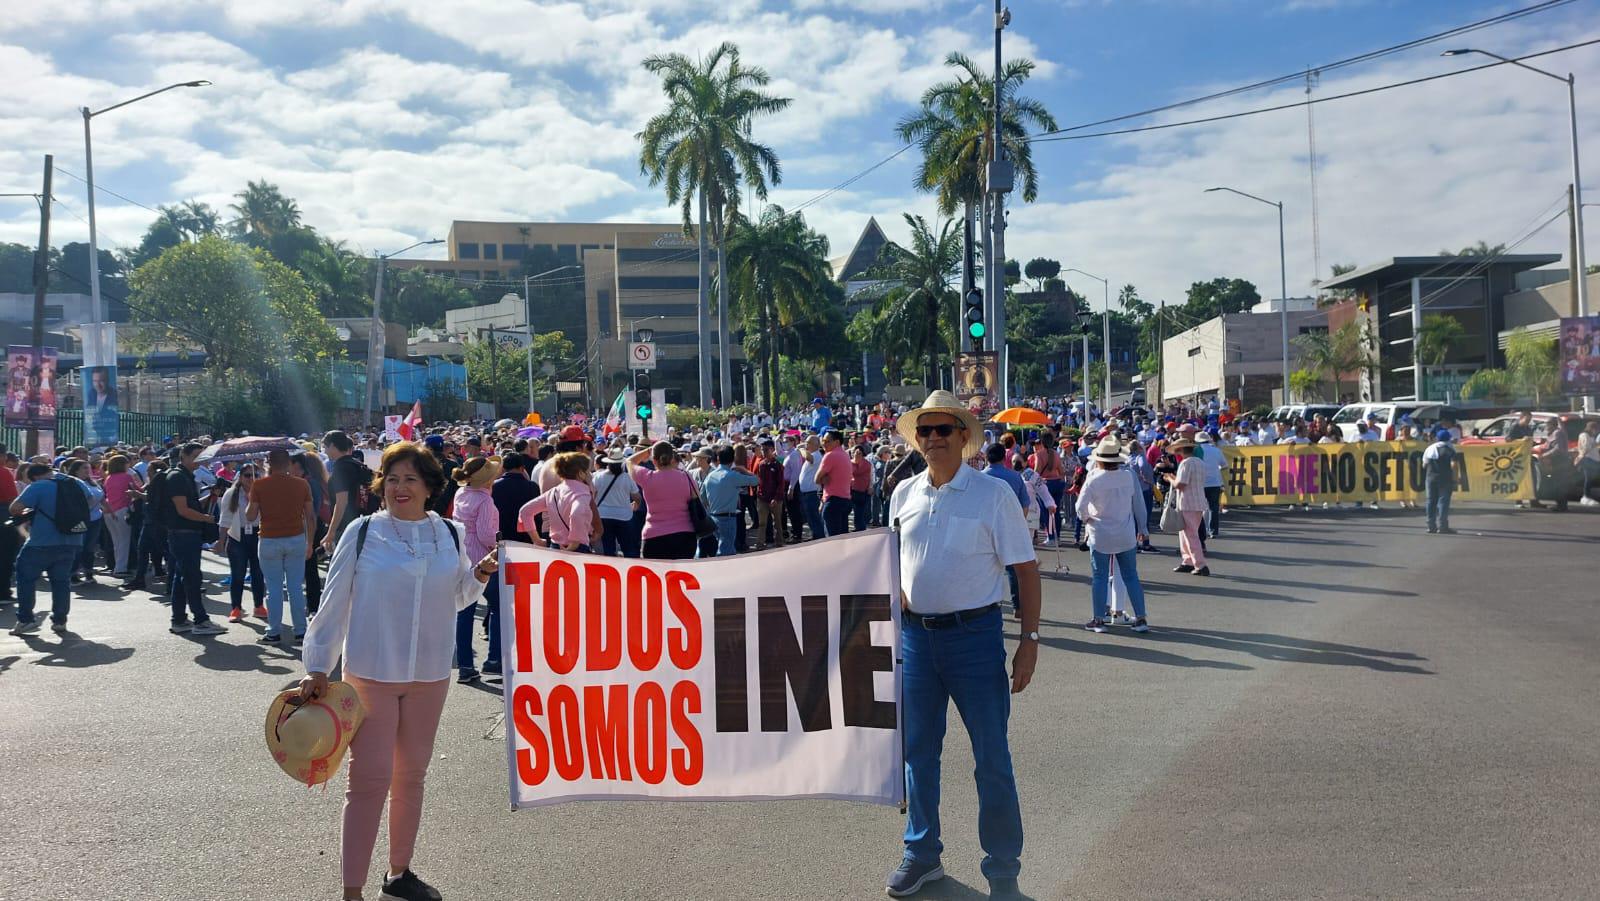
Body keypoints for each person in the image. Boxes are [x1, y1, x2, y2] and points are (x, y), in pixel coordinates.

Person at [297, 441, 498, 901]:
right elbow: (333, 602)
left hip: (430, 673)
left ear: (429, 487)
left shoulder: (449, 532)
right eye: (391, 478)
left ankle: (399, 872)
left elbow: (458, 595)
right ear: (380, 485)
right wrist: (318, 666)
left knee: (412, 776)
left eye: (409, 479)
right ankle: (352, 891)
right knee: (368, 781)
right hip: (372, 672)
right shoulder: (364, 532)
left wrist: (481, 573)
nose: (399, 487)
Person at [886, 391, 1039, 899]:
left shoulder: (992, 494)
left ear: (962, 436)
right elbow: (888, 561)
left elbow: (1025, 569)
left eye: (942, 430)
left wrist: (1030, 639)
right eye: (924, 431)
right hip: (914, 640)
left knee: (992, 756)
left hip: (975, 638)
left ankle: (1002, 869)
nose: (932, 439)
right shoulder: (903, 493)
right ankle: (921, 851)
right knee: (917, 753)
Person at [1075, 437, 1150, 633]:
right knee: (1131, 576)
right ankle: (1141, 618)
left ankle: (1099, 619)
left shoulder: (1093, 478)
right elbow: (1139, 505)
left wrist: (1087, 519)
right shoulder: (1129, 475)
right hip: (1125, 532)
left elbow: (1080, 507)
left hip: (1100, 533)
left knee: (1099, 576)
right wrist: (1143, 528)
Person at [7, 462, 89, 635]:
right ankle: (60, 620)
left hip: (42, 540)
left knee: (25, 576)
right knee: (61, 581)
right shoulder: (74, 482)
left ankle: (26, 619)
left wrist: (33, 510)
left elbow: (14, 508)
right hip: (72, 539)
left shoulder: (38, 486)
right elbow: (91, 498)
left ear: (35, 477)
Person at [246, 448, 314, 644]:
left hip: (269, 539)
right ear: (287, 463)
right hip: (296, 538)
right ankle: (300, 630)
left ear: (268, 462)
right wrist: (309, 542)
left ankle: (273, 631)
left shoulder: (259, 485)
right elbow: (310, 516)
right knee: (295, 587)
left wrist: (253, 495)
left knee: (274, 588)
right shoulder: (302, 485)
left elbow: (250, 516)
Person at [448, 456, 501, 684]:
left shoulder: (461, 493)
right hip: (483, 557)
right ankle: (494, 660)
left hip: (462, 554)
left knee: (464, 611)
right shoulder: (485, 501)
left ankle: (466, 665)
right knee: (498, 606)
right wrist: (499, 546)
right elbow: (485, 535)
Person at [165, 443, 227, 636]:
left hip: (185, 533)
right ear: (183, 456)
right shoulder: (177, 477)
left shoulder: (185, 476)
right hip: (183, 533)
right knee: (191, 577)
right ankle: (200, 620)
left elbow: (190, 505)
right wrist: (206, 518)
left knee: (182, 577)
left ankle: (180, 619)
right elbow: (182, 510)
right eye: (196, 456)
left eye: (202, 457)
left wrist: (211, 496)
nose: (200, 461)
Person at [216, 462, 265, 622]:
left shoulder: (262, 492)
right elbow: (225, 519)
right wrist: (221, 541)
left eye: (255, 475)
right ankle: (236, 608)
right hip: (237, 536)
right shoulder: (232, 494)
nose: (251, 478)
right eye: (247, 475)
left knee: (258, 573)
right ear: (241, 477)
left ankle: (259, 605)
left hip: (258, 534)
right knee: (238, 574)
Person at [517, 451, 594, 553]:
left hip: (555, 546)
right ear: (580, 473)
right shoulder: (582, 493)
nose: (590, 474)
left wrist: (537, 540)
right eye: (588, 471)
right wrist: (575, 543)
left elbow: (525, 511)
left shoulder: (553, 492)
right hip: (576, 549)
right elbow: (577, 514)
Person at [1163, 437, 1210, 577]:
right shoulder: (1200, 462)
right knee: (1186, 534)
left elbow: (1180, 485)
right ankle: (1188, 561)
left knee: (1190, 535)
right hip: (1198, 501)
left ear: (1182, 449)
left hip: (1188, 502)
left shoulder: (1185, 463)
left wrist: (1170, 478)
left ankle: (1200, 564)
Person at [702, 445, 759, 556]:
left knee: (721, 549)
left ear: (718, 459)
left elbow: (703, 498)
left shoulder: (710, 476)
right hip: (727, 518)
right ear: (732, 459)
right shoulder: (732, 476)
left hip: (713, 517)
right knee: (726, 552)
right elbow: (756, 480)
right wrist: (744, 470)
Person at [292, 452, 330, 616]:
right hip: (312, 526)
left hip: (311, 527)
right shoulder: (315, 481)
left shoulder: (310, 482)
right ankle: (312, 605)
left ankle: (313, 606)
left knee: (310, 568)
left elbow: (312, 512)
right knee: (309, 568)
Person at [591, 448, 639, 558]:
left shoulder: (598, 477)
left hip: (603, 516)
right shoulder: (627, 478)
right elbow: (637, 497)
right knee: (629, 548)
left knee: (608, 549)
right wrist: (635, 506)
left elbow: (592, 496)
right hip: (624, 517)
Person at [64, 459, 105, 584]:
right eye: (84, 468)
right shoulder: (72, 483)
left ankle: (88, 572)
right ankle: (73, 574)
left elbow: (101, 498)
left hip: (95, 519)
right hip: (80, 519)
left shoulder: (93, 483)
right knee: (78, 547)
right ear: (76, 470)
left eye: (88, 468)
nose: (88, 471)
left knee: (90, 547)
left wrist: (110, 511)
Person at [1421, 429, 1459, 534]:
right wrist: (1455, 479)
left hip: (1431, 478)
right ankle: (1443, 526)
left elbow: (1424, 465)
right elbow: (1454, 465)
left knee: (1430, 501)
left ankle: (1430, 525)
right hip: (1445, 479)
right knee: (1443, 502)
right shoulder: (1450, 449)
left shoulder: (1430, 449)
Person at [817, 430, 853, 537]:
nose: (824, 444)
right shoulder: (845, 455)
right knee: (842, 540)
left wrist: (823, 478)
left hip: (833, 502)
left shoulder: (830, 455)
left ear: (837, 442)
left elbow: (816, 479)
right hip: (845, 501)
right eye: (823, 441)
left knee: (832, 542)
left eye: (827, 441)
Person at [754, 439, 786, 551]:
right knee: (762, 522)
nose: (763, 452)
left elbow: (781, 484)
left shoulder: (777, 465)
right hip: (762, 498)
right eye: (762, 450)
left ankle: (779, 542)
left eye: (766, 450)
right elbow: (758, 480)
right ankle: (760, 544)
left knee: (777, 522)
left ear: (772, 450)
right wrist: (758, 493)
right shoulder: (761, 464)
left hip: (775, 499)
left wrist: (776, 498)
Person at [1194, 432, 1225, 539]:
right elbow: (1224, 465)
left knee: (1199, 508)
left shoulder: (1196, 451)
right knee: (1213, 508)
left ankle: (1201, 531)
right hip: (1215, 483)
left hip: (1200, 483)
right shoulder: (1216, 450)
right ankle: (1213, 531)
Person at [796, 435, 825, 540]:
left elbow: (808, 457)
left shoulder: (816, 455)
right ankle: (816, 536)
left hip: (812, 493)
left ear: (816, 445)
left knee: (814, 518)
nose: (806, 444)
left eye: (808, 443)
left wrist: (802, 449)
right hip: (807, 493)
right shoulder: (813, 454)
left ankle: (819, 537)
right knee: (811, 518)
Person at [849, 444, 874, 531]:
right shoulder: (849, 463)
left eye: (859, 453)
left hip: (863, 490)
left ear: (863, 454)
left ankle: (860, 528)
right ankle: (858, 527)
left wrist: (871, 487)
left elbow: (871, 476)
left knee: (860, 511)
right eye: (855, 453)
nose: (856, 454)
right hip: (851, 490)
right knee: (851, 510)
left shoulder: (868, 464)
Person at [1577, 419, 1600, 506]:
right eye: (1596, 429)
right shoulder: (1584, 435)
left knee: (1590, 479)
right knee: (1588, 479)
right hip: (1588, 460)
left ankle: (1587, 496)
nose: (1596, 431)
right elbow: (1586, 448)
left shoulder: (1590, 436)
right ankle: (1586, 496)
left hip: (1593, 460)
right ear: (1591, 428)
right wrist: (1596, 444)